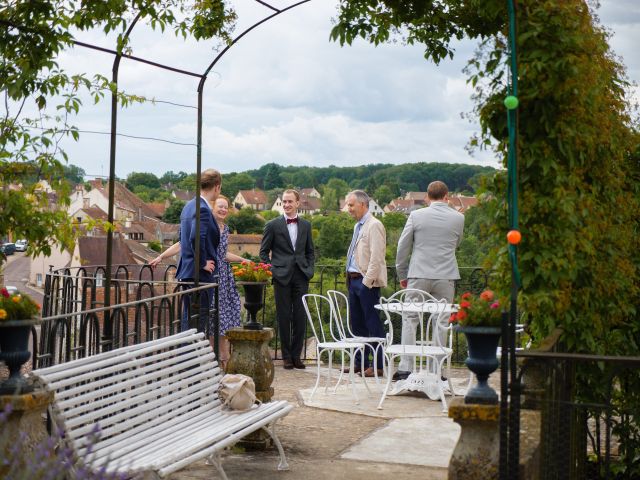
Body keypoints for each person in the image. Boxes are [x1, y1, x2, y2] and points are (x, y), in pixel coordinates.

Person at [151, 195, 242, 370]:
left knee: (222, 320)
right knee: (205, 318)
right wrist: (160, 256)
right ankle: (204, 359)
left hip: (223, 277)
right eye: (220, 206)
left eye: (226, 207)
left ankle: (223, 359)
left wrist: (244, 261)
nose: (223, 210)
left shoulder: (226, 228)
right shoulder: (206, 221)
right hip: (208, 274)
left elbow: (223, 255)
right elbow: (182, 243)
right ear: (213, 207)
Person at [394, 180, 464, 381]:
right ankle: (436, 370)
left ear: (427, 196)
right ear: (446, 196)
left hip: (418, 274)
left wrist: (402, 274)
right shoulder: (459, 218)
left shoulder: (416, 215)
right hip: (446, 275)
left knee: (410, 319)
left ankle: (406, 368)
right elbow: (456, 243)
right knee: (440, 322)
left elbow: (402, 247)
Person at [259, 189, 315, 370]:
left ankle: (297, 356)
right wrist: (273, 271)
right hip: (281, 276)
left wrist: (310, 270)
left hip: (301, 275)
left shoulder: (306, 225)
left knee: (300, 316)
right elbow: (263, 253)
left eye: (290, 201)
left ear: (298, 203)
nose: (287, 204)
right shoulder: (272, 225)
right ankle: (286, 357)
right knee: (283, 317)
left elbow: (310, 251)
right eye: (284, 201)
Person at [344, 190, 387, 377]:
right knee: (358, 325)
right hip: (353, 281)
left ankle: (378, 366)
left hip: (365, 282)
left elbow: (377, 258)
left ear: (363, 205)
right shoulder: (358, 226)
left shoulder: (374, 225)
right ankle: (360, 363)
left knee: (373, 325)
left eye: (351, 205)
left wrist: (367, 283)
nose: (349, 209)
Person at [174, 169, 221, 333]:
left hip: (187, 271)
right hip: (199, 275)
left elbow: (182, 238)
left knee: (189, 321)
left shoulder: (188, 206)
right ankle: (187, 357)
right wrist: (202, 263)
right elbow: (195, 237)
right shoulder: (203, 209)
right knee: (198, 323)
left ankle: (184, 356)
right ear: (217, 187)